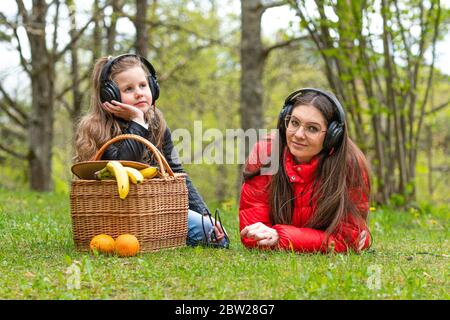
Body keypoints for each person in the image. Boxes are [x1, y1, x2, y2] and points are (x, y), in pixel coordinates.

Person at [74, 53, 228, 248]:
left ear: (153, 87)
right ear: (109, 95)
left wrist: (206, 215)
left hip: (154, 210)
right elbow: (121, 165)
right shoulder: (97, 128)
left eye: (143, 85)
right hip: (116, 212)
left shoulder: (157, 123)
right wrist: (137, 122)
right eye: (128, 89)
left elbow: (177, 173)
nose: (139, 93)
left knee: (216, 237)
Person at [239, 88, 371, 253]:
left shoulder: (351, 165)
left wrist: (282, 237)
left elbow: (349, 241)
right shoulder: (264, 153)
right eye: (294, 123)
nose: (299, 134)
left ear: (332, 135)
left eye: (312, 128)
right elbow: (251, 233)